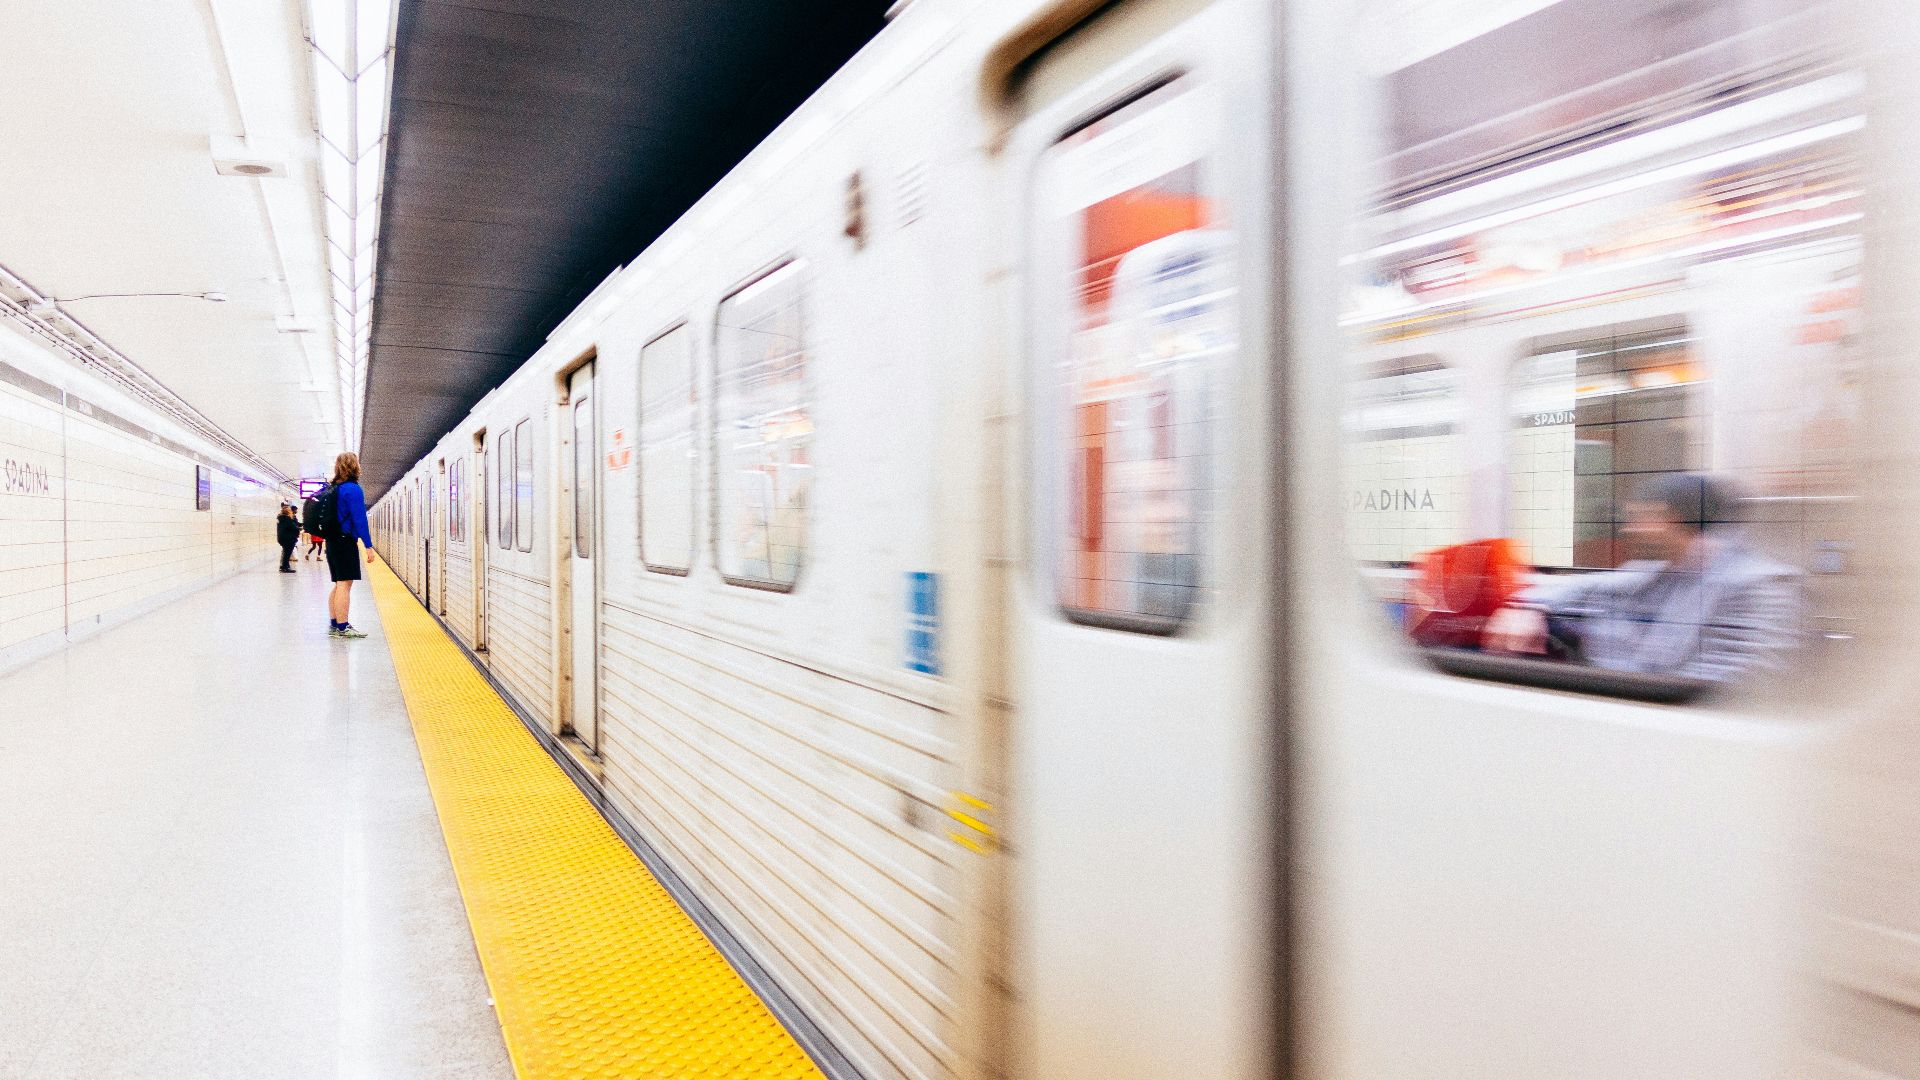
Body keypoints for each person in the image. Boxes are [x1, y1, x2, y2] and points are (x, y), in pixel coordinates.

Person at [1483, 472, 1801, 684]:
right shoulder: (1652, 572)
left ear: (1669, 517)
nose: (1628, 529)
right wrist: (1526, 606)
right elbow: (1577, 587)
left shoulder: (1763, 586)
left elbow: (1733, 686)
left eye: (1638, 517)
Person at [324, 452, 378, 639]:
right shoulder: (352, 489)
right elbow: (359, 519)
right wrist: (368, 545)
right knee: (345, 585)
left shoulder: (332, 488)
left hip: (331, 541)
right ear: (355, 466)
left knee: (338, 584)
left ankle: (334, 625)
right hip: (345, 541)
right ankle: (343, 627)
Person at [301, 490, 326, 561]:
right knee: (320, 546)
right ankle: (318, 556)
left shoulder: (307, 504)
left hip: (313, 534)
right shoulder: (317, 507)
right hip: (319, 534)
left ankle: (307, 554)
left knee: (314, 546)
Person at [276, 504, 301, 573]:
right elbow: (294, 528)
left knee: (285, 552)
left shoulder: (281, 518)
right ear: (288, 512)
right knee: (287, 553)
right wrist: (300, 528)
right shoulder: (287, 519)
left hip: (283, 538)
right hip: (288, 539)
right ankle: (285, 567)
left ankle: (284, 566)